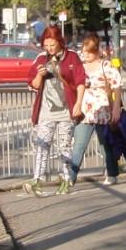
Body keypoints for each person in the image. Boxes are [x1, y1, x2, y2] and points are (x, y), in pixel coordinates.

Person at [23, 25, 85, 197]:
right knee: (42, 143)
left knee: (64, 145)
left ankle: (66, 180)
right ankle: (37, 179)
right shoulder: (41, 58)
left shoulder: (71, 57)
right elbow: (33, 84)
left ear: (60, 42)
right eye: (46, 45)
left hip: (67, 109)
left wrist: (78, 103)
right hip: (46, 110)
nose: (49, 48)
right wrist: (39, 75)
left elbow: (80, 81)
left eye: (52, 44)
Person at [69, 33, 123, 185]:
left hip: (102, 109)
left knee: (105, 144)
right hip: (85, 110)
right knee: (79, 144)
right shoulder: (80, 67)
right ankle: (71, 177)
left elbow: (117, 86)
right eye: (83, 51)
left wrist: (116, 108)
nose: (84, 54)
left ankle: (112, 174)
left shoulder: (105, 66)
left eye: (88, 51)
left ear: (96, 51)